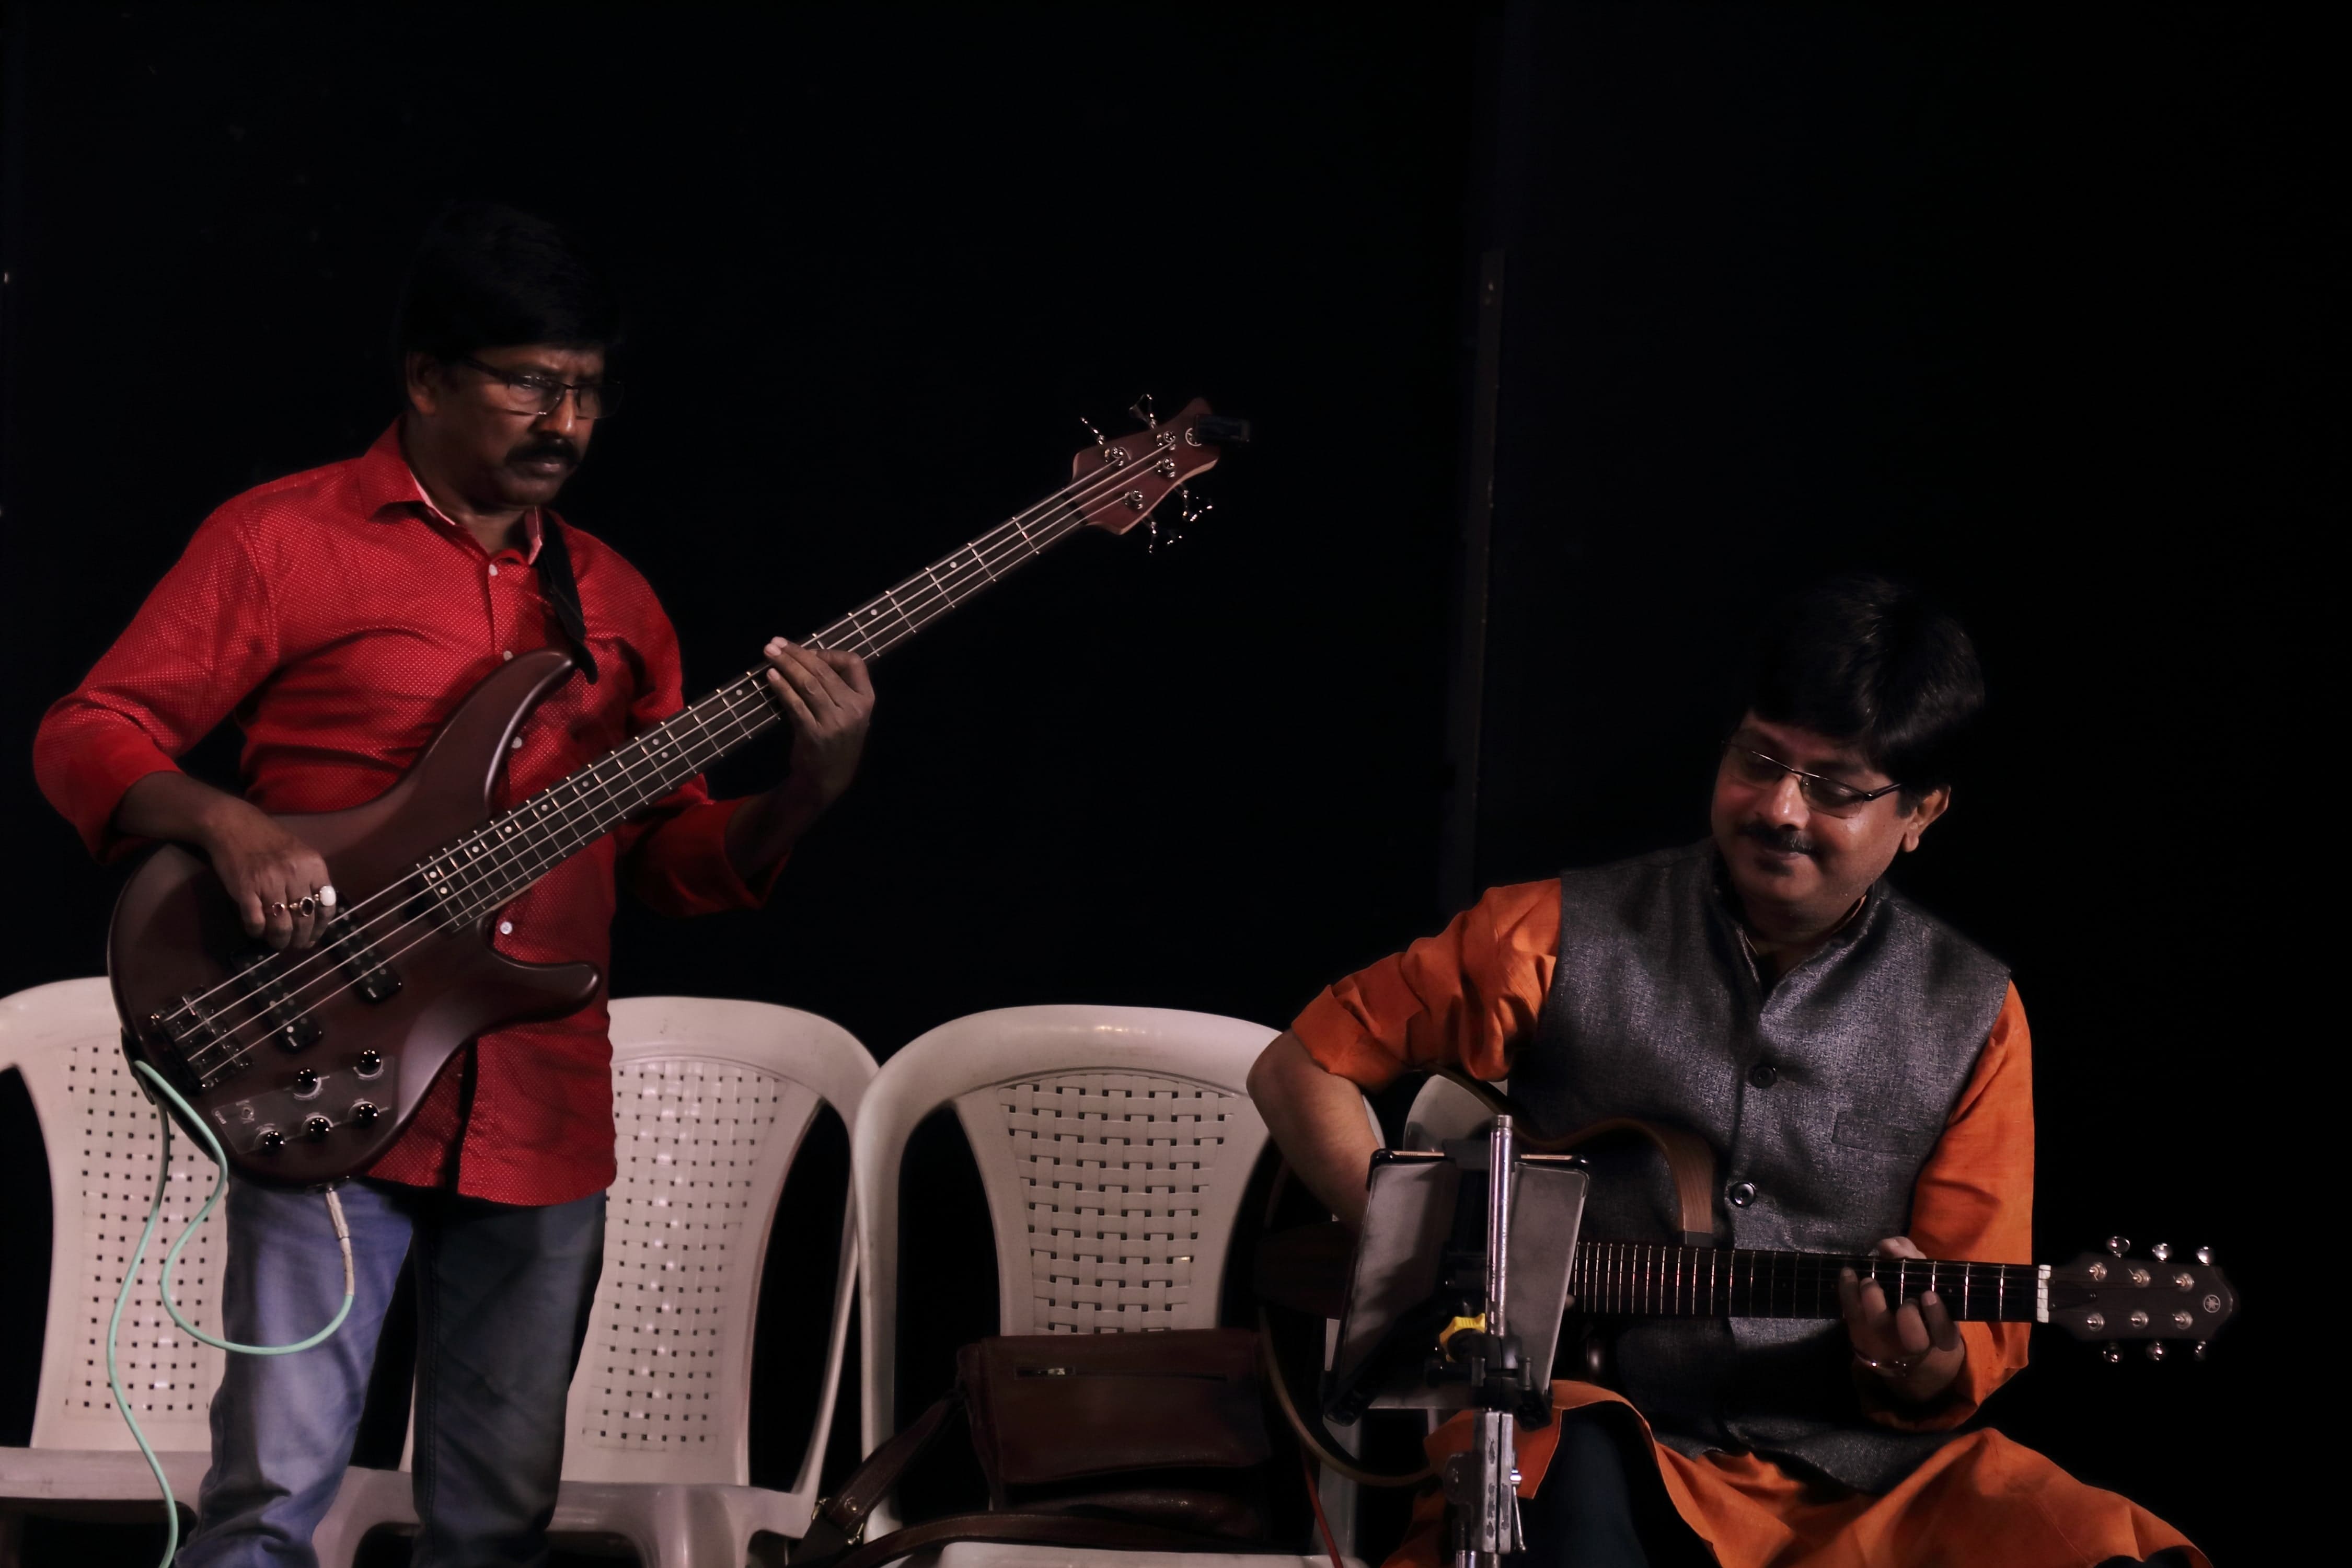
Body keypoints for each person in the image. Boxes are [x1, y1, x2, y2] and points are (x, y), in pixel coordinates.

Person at [33, 203, 875, 1566]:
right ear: (426, 377)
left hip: (540, 1098)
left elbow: (663, 859)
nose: (568, 422)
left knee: (496, 1523)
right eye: (532, 382)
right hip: (318, 1056)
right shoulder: (282, 539)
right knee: (270, 1501)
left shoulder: (616, 602)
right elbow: (88, 731)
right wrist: (228, 825)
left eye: (589, 390)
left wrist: (802, 796)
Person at [1247, 575, 2204, 1568]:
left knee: (2101, 1549)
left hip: (1863, 1494)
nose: (1779, 808)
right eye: (1759, 760)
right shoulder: (1557, 934)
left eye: (1834, 788)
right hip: (1603, 1441)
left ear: (1922, 811)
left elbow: (1958, 1369)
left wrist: (1908, 1356)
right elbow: (1300, 1065)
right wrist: (1426, 1250)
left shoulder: (1976, 1018)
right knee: (1562, 1496)